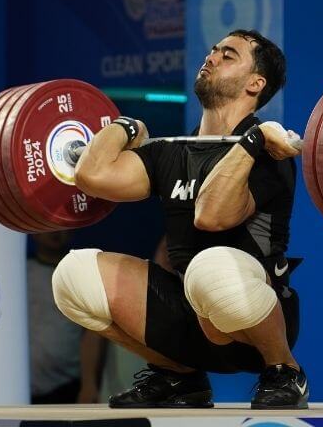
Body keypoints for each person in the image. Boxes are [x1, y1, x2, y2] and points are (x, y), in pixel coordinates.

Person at [52, 29, 307, 409]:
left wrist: (252, 141)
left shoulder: (270, 153)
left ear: (256, 83)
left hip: (248, 323)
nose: (212, 57)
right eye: (213, 50)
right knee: (73, 275)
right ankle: (178, 376)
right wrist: (125, 126)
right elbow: (92, 175)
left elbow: (211, 216)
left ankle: (285, 371)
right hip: (188, 317)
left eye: (229, 55)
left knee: (211, 268)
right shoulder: (172, 153)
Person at [27, 230, 104, 403]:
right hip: (22, 385)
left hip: (67, 386)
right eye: (49, 226)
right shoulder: (20, 273)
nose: (56, 232)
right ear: (34, 232)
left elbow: (93, 331)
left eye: (63, 226)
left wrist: (89, 384)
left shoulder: (82, 275)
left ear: (72, 232)